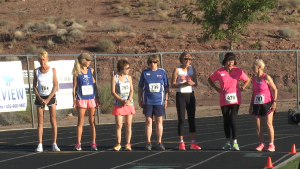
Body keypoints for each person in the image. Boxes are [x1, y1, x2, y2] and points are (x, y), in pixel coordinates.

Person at [208, 52, 250, 151]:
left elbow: (247, 79)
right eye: (228, 61)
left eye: (232, 61)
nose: (230, 63)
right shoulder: (219, 71)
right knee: (226, 120)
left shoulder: (238, 70)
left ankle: (235, 142)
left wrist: (242, 87)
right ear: (225, 61)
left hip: (235, 98)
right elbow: (210, 80)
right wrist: (217, 88)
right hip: (224, 98)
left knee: (233, 119)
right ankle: (228, 142)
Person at [138, 55, 169, 151]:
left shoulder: (162, 72)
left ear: (157, 63)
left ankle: (159, 142)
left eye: (155, 62)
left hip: (159, 100)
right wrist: (139, 99)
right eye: (151, 62)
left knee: (159, 121)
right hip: (147, 100)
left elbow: (167, 87)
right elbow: (140, 87)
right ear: (148, 63)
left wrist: (166, 99)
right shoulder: (144, 72)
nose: (153, 64)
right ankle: (148, 142)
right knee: (148, 121)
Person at [171, 52, 201, 150]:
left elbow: (195, 83)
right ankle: (181, 142)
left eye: (189, 60)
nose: (188, 61)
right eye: (186, 59)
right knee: (182, 119)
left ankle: (193, 142)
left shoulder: (192, 69)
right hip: (181, 95)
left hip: (190, 95)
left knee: (191, 119)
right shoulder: (177, 69)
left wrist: (193, 83)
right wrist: (183, 84)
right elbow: (173, 84)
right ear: (181, 60)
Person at [33, 51, 60, 152]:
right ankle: (40, 144)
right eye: (40, 59)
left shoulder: (52, 70)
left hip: (50, 97)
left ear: (47, 59)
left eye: (43, 59)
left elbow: (55, 85)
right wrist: (40, 98)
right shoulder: (36, 71)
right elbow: (34, 86)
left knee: (53, 120)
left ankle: (54, 143)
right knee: (40, 122)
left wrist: (48, 99)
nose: (42, 61)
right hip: (40, 97)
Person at [72, 53, 100, 151]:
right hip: (81, 99)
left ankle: (93, 143)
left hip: (91, 99)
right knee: (80, 121)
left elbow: (95, 85)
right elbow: (74, 87)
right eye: (88, 60)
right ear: (82, 61)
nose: (89, 62)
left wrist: (97, 98)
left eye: (90, 60)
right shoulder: (77, 72)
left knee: (92, 122)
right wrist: (74, 100)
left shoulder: (91, 71)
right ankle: (78, 143)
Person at [249, 59, 277, 152]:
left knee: (268, 124)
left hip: (267, 103)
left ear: (259, 67)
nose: (253, 68)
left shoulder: (266, 77)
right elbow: (254, 93)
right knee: (257, 124)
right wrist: (251, 106)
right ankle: (262, 143)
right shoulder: (254, 79)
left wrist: (274, 102)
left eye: (254, 66)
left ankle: (271, 144)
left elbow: (275, 89)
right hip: (257, 104)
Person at [111, 59, 136, 151]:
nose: (129, 69)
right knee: (118, 124)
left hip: (129, 104)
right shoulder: (115, 78)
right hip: (118, 104)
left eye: (129, 68)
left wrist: (129, 100)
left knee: (128, 124)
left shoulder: (129, 78)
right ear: (121, 68)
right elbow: (113, 92)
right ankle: (118, 144)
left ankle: (128, 144)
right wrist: (121, 100)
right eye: (127, 68)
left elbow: (132, 90)